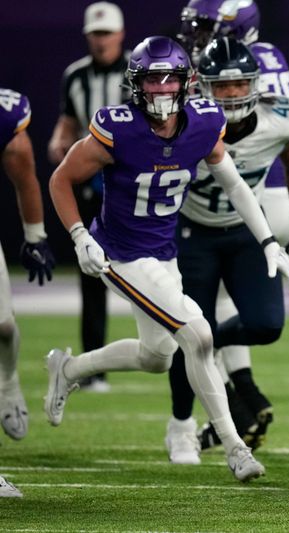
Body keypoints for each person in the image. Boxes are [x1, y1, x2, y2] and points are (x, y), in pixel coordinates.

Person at [45, 35, 289, 482]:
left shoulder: (204, 122)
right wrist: (79, 234)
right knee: (199, 334)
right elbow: (60, 179)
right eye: (152, 81)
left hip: (164, 253)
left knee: (157, 356)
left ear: (188, 83)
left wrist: (267, 241)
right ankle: (235, 448)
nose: (162, 90)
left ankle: (68, 368)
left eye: (171, 81)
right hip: (121, 254)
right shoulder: (118, 128)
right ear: (136, 85)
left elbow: (235, 185)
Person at [171, 0, 289, 458]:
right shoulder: (192, 106)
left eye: (206, 28)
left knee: (235, 320)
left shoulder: (264, 87)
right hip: (200, 216)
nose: (197, 37)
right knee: (191, 326)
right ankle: (208, 409)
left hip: (257, 196)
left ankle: (230, 381)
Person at [47, 1, 131, 393]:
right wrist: (60, 143)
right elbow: (66, 125)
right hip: (89, 185)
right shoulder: (75, 77)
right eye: (95, 34)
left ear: (120, 34)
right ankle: (92, 367)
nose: (101, 41)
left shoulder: (139, 70)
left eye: (106, 33)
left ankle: (169, 354)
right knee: (93, 273)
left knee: (151, 268)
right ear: (88, 37)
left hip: (135, 185)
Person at [1, 88, 57, 499]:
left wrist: (35, 235)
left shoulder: (5, 116)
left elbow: (22, 167)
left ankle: (7, 382)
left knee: (3, 327)